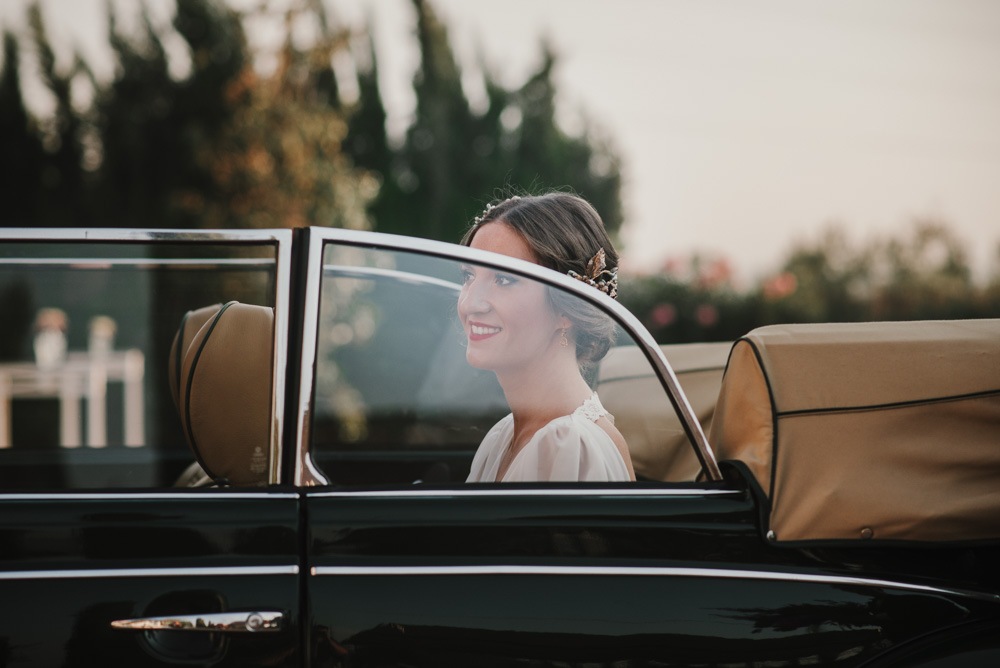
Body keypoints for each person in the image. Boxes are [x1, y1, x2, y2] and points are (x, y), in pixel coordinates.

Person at [459, 192, 635, 482]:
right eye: (468, 276)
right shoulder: (503, 436)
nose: (469, 303)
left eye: (503, 279)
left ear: (566, 307)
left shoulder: (569, 446)